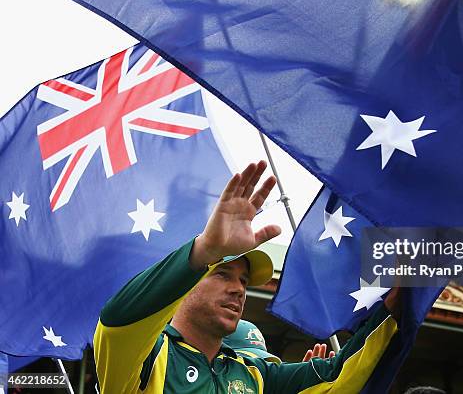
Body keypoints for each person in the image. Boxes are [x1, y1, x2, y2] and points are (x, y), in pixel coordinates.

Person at [94, 161, 401, 393]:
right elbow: (117, 323)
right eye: (224, 274)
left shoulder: (255, 374)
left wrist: (398, 300)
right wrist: (203, 251)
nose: (238, 290)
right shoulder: (153, 358)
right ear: (185, 287)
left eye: (243, 281)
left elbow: (339, 376)